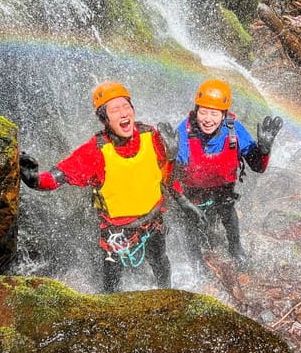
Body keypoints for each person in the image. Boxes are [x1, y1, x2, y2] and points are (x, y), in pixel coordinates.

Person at [18, 81, 201, 293]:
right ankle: (109, 306)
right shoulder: (95, 152)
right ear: (104, 118)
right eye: (115, 110)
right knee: (112, 280)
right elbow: (59, 176)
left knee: (160, 261)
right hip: (117, 232)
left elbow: (166, 175)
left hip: (153, 222)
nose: (124, 114)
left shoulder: (151, 136)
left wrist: (184, 200)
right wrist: (35, 181)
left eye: (126, 107)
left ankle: (168, 294)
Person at [174, 78, 282, 271]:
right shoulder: (184, 132)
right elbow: (169, 174)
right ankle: (196, 260)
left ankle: (235, 247)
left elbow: (257, 167)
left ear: (224, 115)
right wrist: (183, 202)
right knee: (190, 223)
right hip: (192, 194)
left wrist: (264, 150)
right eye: (203, 112)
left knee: (228, 213)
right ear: (196, 111)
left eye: (214, 113)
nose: (208, 119)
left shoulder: (235, 130)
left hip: (223, 191)